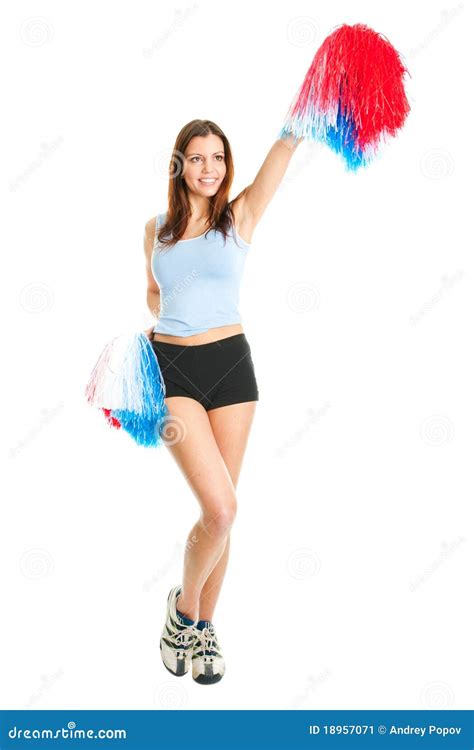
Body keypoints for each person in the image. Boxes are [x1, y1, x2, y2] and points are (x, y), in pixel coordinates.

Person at [143, 119, 301, 684]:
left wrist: (296, 122)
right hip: (172, 370)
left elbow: (279, 156)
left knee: (224, 512)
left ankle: (203, 630)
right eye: (197, 158)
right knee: (221, 509)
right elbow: (153, 293)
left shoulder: (240, 217)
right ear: (179, 164)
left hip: (233, 366)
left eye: (217, 158)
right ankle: (183, 613)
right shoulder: (155, 230)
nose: (208, 168)